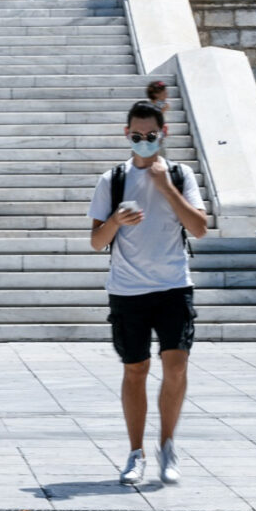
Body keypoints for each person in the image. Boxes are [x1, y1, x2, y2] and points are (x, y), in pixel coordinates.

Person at [88, 101, 208, 486]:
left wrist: (166, 187)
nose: (143, 142)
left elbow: (200, 227)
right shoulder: (113, 179)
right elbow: (95, 241)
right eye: (136, 136)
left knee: (176, 366)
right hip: (128, 289)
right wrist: (115, 221)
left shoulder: (179, 174)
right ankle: (135, 453)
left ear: (163, 134)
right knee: (135, 369)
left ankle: (168, 445)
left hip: (174, 285)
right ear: (127, 135)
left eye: (150, 136)